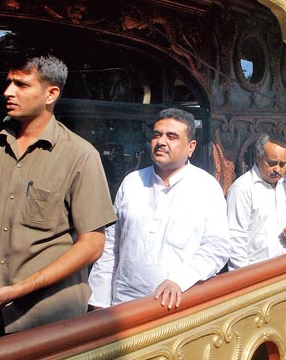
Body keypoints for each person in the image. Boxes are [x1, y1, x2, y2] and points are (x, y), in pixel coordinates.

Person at [0, 55, 116, 345]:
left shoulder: (80, 155)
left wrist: (18, 290)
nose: (8, 92)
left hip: (50, 317)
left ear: (51, 94)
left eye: (21, 84)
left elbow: (92, 245)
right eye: (9, 82)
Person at [88, 108, 229, 310]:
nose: (161, 142)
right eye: (157, 135)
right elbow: (111, 245)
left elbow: (217, 247)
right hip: (124, 305)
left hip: (177, 305)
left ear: (191, 147)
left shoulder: (206, 187)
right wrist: (99, 303)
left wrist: (179, 280)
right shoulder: (132, 182)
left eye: (171, 136)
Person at [226, 133, 286, 270]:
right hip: (256, 272)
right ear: (258, 157)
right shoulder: (242, 188)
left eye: (282, 164)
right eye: (272, 163)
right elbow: (235, 238)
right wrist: (243, 277)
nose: (277, 169)